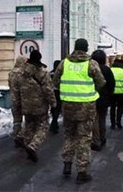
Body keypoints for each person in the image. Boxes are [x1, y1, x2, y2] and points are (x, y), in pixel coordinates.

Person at [52, 38, 106, 185]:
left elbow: (55, 81)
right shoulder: (91, 64)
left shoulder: (65, 63)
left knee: (69, 135)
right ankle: (82, 172)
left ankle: (67, 164)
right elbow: (101, 82)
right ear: (86, 48)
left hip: (68, 106)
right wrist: (92, 90)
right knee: (84, 138)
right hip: (86, 108)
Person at [11, 50, 56, 163]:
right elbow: (48, 91)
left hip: (26, 106)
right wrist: (53, 103)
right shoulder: (43, 73)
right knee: (43, 127)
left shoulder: (21, 73)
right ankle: (33, 146)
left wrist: (18, 104)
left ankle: (28, 148)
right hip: (40, 107)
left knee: (29, 127)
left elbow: (16, 90)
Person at [90, 49, 115, 151]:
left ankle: (96, 140)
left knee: (94, 119)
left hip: (92, 97)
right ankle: (103, 137)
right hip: (104, 99)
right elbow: (111, 84)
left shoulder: (91, 69)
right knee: (102, 119)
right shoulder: (107, 70)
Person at [8, 55, 27, 147]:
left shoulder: (11, 72)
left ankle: (16, 137)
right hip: (23, 99)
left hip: (14, 99)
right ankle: (22, 137)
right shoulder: (22, 72)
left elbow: (9, 85)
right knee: (29, 119)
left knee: (16, 121)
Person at [110, 58, 123, 129]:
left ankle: (112, 124)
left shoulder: (111, 69)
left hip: (112, 93)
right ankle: (118, 121)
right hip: (121, 93)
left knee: (112, 108)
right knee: (120, 108)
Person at [49, 60, 62, 133]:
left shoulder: (50, 73)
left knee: (53, 108)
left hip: (52, 92)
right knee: (58, 108)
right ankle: (54, 123)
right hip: (59, 92)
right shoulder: (60, 74)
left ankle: (54, 122)